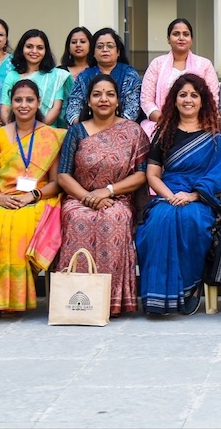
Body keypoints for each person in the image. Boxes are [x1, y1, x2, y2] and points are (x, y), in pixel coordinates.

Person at [0, 79, 64, 318]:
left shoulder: (51, 136)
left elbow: (56, 182)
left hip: (37, 200)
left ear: (38, 102)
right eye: (18, 100)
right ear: (11, 103)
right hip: (1, 198)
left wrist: (33, 196)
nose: (23, 105)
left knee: (20, 226)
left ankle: (13, 299)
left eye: (29, 100)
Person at [134, 74, 221, 315]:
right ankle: (158, 297)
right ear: (174, 100)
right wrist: (169, 196)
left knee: (192, 221)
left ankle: (190, 288)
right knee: (158, 222)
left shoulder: (214, 136)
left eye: (194, 95)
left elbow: (219, 173)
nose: (188, 100)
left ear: (203, 101)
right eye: (183, 94)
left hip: (200, 197)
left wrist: (193, 195)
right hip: (168, 194)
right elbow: (153, 175)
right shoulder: (163, 131)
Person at [56, 74, 149, 316]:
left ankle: (111, 301)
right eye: (97, 94)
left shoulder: (133, 131)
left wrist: (108, 191)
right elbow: (63, 175)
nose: (103, 99)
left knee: (114, 218)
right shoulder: (76, 131)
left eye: (109, 94)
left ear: (119, 101)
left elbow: (141, 175)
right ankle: (77, 302)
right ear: (88, 101)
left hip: (117, 199)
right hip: (79, 198)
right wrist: (87, 197)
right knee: (78, 219)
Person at [140, 18, 220, 138]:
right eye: (176, 34)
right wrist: (165, 121)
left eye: (186, 34)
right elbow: (146, 100)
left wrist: (190, 124)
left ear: (191, 39)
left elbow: (212, 100)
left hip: (198, 126)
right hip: (161, 124)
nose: (181, 38)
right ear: (168, 39)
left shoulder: (205, 65)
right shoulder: (157, 64)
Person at [64, 28, 142, 124]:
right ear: (93, 52)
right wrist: (82, 126)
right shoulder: (84, 76)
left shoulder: (129, 75)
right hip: (89, 129)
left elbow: (132, 109)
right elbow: (73, 106)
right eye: (100, 47)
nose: (105, 50)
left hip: (122, 128)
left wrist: (113, 128)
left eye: (110, 46)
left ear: (118, 52)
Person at [0, 29, 73, 128]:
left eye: (40, 48)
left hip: (46, 131)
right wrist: (13, 129)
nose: (34, 51)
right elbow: (5, 108)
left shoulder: (56, 76)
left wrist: (36, 129)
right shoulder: (12, 76)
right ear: (22, 49)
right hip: (16, 133)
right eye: (29, 47)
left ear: (45, 51)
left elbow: (56, 108)